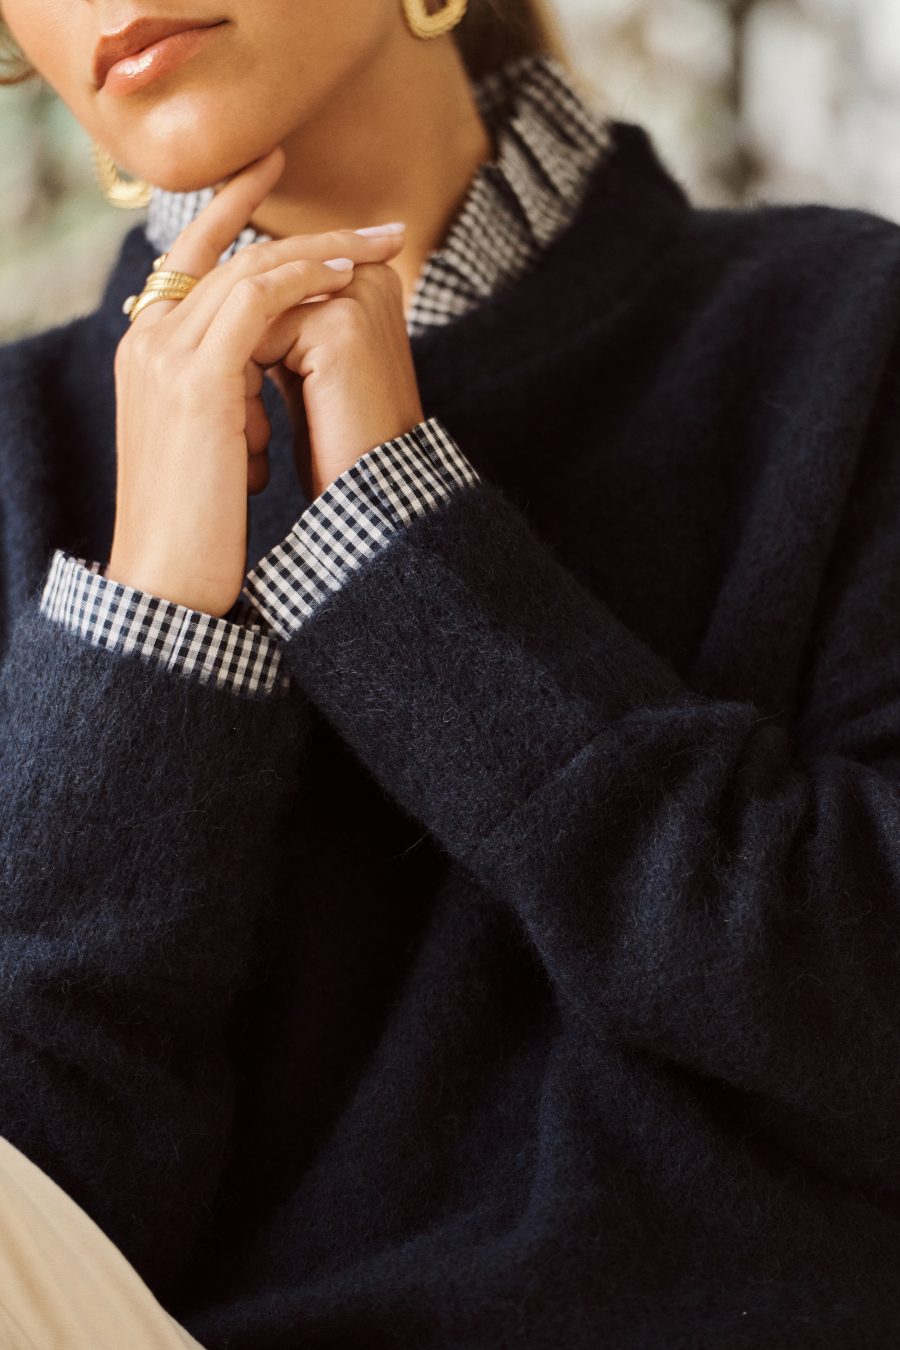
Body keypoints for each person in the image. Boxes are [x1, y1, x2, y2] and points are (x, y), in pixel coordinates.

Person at [1, 0, 900, 1344]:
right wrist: (145, 626)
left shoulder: (848, 330)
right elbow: (40, 1206)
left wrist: (400, 546)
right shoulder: (22, 461)